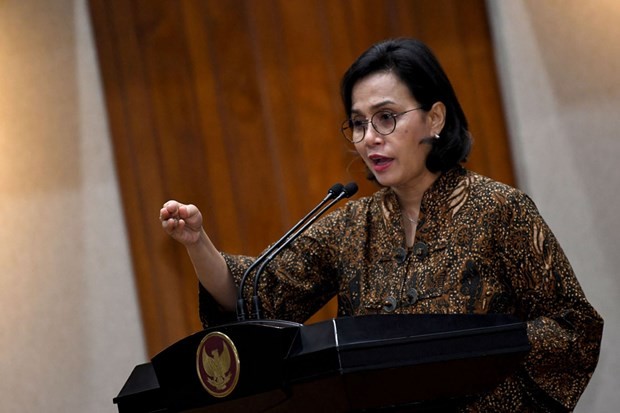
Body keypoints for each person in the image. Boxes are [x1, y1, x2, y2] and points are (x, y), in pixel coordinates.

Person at [160, 38, 603, 412]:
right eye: (358, 123)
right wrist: (198, 243)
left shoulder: (499, 210)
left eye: (386, 117)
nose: (369, 137)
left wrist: (472, 356)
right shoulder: (352, 225)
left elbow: (573, 328)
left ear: (434, 118)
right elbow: (257, 294)